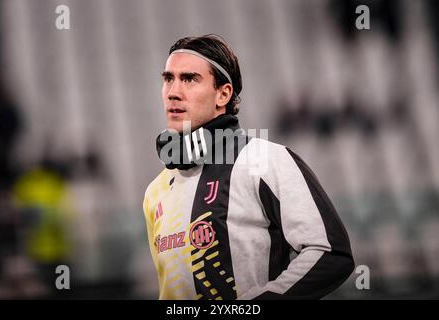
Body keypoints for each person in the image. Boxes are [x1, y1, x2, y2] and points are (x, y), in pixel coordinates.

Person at [143, 34, 354, 300]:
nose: (173, 91)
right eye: (168, 79)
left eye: (189, 79)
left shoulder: (264, 159)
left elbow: (330, 252)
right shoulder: (155, 191)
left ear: (223, 94)